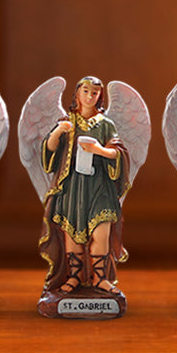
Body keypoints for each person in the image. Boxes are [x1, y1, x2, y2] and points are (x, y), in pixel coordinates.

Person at [39, 77, 131, 293]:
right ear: (77, 94)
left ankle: (101, 278)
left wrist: (99, 150)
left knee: (101, 232)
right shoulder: (67, 122)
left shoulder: (105, 124)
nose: (90, 96)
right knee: (72, 232)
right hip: (73, 186)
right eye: (86, 91)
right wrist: (58, 132)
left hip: (100, 185)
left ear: (100, 96)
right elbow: (49, 150)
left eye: (95, 93)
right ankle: (74, 277)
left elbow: (119, 152)